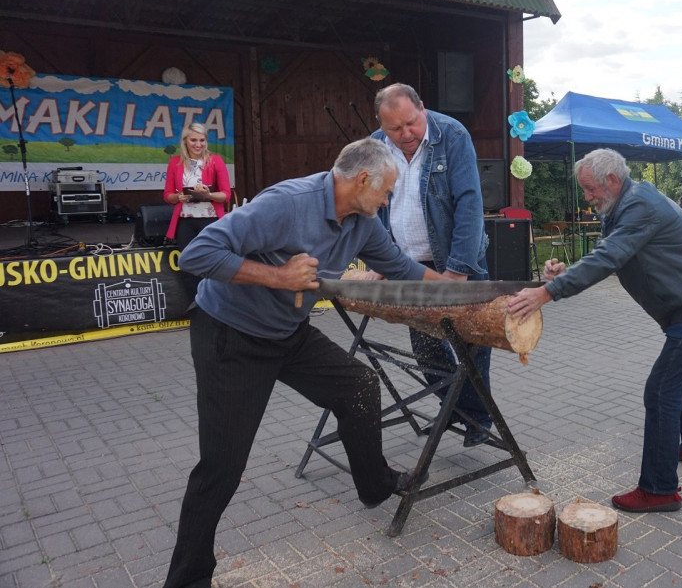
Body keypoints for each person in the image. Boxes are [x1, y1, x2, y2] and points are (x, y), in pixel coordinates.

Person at [162, 138, 442, 588]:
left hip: (286, 333)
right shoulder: (287, 203)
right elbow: (195, 255)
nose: (389, 200)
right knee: (222, 466)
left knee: (359, 387)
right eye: (387, 191)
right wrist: (278, 277)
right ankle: (186, 580)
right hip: (230, 336)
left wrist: (455, 290)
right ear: (363, 180)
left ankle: (374, 486)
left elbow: (399, 266)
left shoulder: (363, 221)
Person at [507, 149, 682, 514]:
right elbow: (609, 252)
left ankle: (659, 490)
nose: (588, 197)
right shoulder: (626, 201)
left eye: (591, 189)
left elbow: (608, 258)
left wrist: (547, 292)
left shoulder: (639, 205)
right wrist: (563, 276)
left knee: (660, 391)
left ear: (611, 179)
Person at [369, 83, 492, 447]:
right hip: (408, 264)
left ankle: (476, 418)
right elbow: (372, 206)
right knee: (426, 350)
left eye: (411, 123)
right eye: (395, 128)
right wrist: (381, 258)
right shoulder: (375, 146)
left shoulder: (452, 135)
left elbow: (470, 203)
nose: (405, 134)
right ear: (381, 124)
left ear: (422, 108)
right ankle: (462, 409)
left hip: (456, 259)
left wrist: (457, 270)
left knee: (473, 344)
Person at [162, 122, 232, 301]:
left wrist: (207, 195)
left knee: (213, 262)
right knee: (188, 263)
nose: (198, 144)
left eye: (202, 140)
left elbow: (226, 195)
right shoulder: (175, 163)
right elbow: (167, 195)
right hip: (185, 221)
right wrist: (178, 198)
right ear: (185, 141)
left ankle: (217, 302)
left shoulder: (215, 160)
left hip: (211, 220)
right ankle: (195, 304)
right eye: (193, 140)